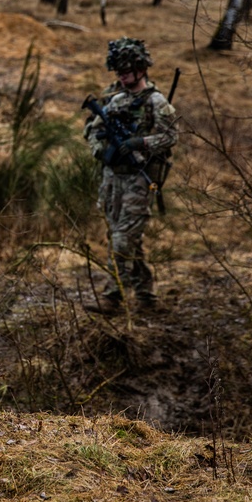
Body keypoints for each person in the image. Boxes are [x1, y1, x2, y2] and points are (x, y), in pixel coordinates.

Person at [83, 37, 178, 315]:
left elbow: (171, 137)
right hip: (112, 179)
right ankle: (147, 296)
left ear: (140, 68)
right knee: (122, 238)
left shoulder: (157, 102)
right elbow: (91, 131)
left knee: (123, 239)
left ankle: (113, 297)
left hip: (140, 178)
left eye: (126, 71)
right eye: (119, 73)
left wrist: (140, 144)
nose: (122, 77)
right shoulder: (114, 101)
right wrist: (100, 150)